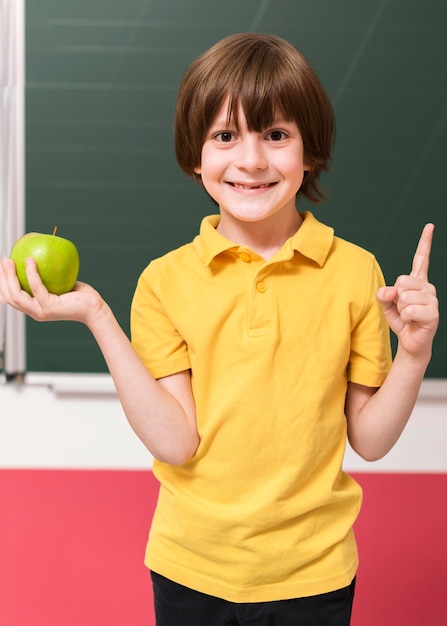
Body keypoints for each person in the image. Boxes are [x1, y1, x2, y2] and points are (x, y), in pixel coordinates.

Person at [0, 33, 439, 626]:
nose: (252, 160)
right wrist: (96, 316)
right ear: (195, 155)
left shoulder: (355, 272)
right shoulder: (163, 282)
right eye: (225, 136)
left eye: (276, 135)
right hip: (191, 568)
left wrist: (412, 355)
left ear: (310, 151)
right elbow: (178, 442)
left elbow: (371, 439)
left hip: (314, 573)